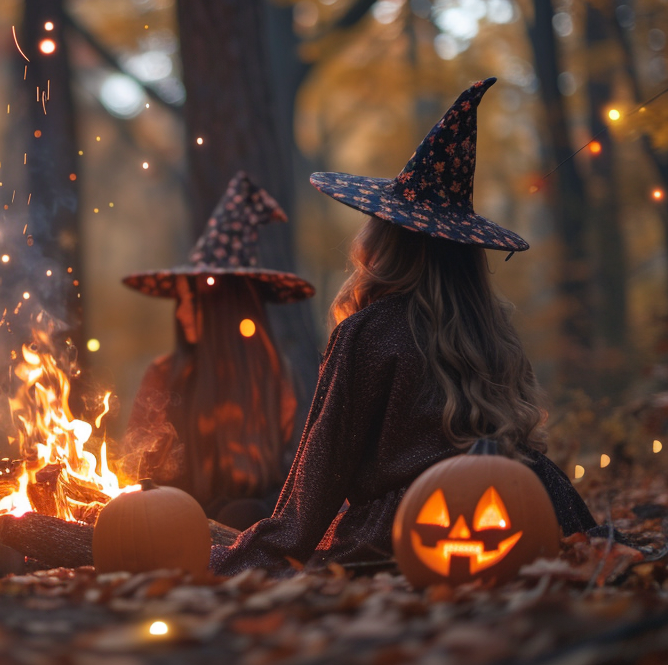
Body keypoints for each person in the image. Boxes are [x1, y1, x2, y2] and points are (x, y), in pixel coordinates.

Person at [213, 78, 595, 575]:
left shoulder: (367, 331)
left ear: (386, 241)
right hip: (533, 501)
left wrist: (249, 555)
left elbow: (323, 471)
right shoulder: (490, 326)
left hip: (416, 526)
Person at [121, 173, 314, 528]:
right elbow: (139, 471)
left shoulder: (276, 378)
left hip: (256, 531)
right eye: (178, 300)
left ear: (222, 307)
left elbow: (299, 477)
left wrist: (257, 515)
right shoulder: (164, 377)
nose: (178, 312)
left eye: (189, 300)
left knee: (243, 514)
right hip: (171, 526)